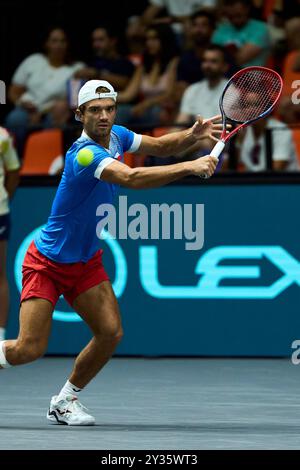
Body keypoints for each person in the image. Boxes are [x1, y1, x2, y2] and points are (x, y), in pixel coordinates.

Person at [0, 79, 220, 426]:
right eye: (95, 110)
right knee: (29, 349)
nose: (103, 116)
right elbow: (130, 177)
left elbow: (160, 145)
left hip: (85, 261)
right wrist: (190, 166)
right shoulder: (84, 153)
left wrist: (192, 136)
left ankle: (65, 401)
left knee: (110, 332)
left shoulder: (117, 134)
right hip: (47, 262)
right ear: (80, 114)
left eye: (108, 108)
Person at [5, 28, 85, 153]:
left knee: (55, 118)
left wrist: (42, 112)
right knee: (15, 119)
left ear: (68, 44)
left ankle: (47, 160)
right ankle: (18, 158)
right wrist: (21, 103)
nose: (58, 45)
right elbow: (14, 91)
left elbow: (75, 101)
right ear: (47, 44)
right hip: (26, 108)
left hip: (55, 112)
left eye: (62, 41)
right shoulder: (33, 61)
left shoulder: (77, 68)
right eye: (54, 41)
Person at [117, 24, 179, 127]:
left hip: (163, 110)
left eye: (155, 39)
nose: (150, 43)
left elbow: (169, 94)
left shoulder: (174, 62)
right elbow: (128, 94)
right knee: (118, 111)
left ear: (165, 40)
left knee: (156, 112)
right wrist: (105, 96)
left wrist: (146, 104)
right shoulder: (143, 66)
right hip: (143, 110)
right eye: (148, 39)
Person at [0, 127, 20, 342]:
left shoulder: (3, 136)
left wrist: (4, 200)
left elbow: (13, 171)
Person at [74, 25, 135, 91]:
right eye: (94, 40)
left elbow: (124, 83)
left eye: (100, 40)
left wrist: (97, 74)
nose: (96, 44)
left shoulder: (124, 63)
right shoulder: (93, 62)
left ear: (112, 41)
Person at [212, 0, 270, 67]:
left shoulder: (260, 28)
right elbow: (212, 55)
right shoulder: (221, 29)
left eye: (238, 14)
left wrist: (222, 57)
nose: (234, 18)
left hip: (254, 75)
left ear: (247, 9)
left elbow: (239, 59)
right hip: (224, 75)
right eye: (230, 16)